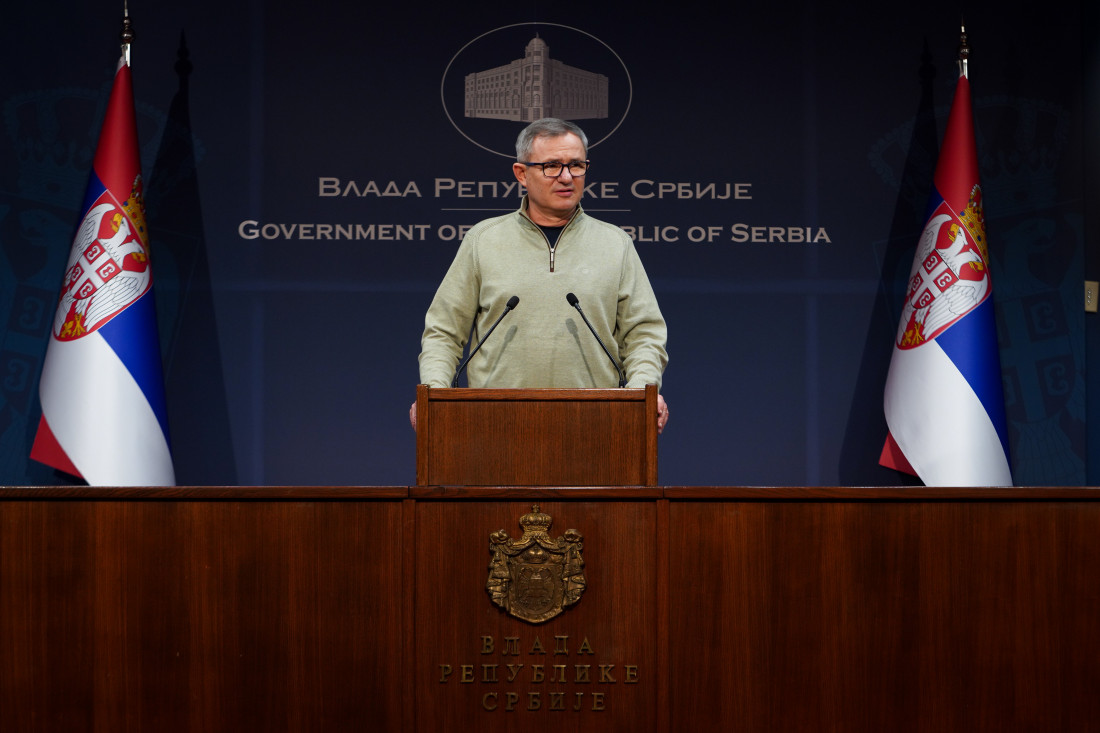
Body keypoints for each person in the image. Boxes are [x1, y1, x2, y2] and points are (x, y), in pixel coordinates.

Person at [411, 118, 669, 432]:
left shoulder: (616, 244)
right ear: (521, 173)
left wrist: (642, 392)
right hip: (493, 424)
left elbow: (643, 334)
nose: (566, 177)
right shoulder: (483, 240)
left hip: (597, 425)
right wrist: (435, 394)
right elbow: (444, 332)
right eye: (552, 166)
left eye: (576, 165)